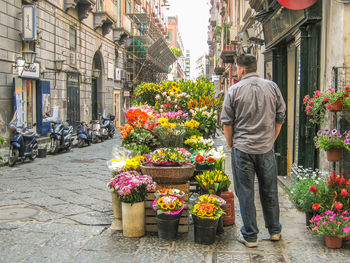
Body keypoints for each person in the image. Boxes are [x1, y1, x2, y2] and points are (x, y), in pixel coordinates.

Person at [220, 54, 286, 248]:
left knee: (246, 192)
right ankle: (274, 230)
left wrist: (231, 145)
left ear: (241, 70)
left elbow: (227, 122)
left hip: (242, 148)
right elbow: (280, 117)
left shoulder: (234, 90)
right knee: (270, 190)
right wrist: (271, 139)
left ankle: (250, 236)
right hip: (266, 148)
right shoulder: (272, 87)